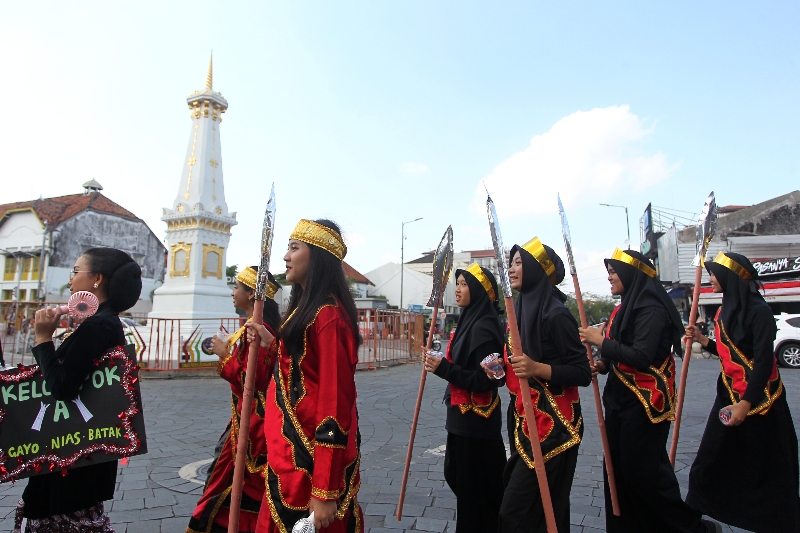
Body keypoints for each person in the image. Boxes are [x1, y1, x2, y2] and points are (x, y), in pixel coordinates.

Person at [579, 248, 720, 533]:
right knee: (617, 471)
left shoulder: (651, 308)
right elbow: (623, 347)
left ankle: (692, 528)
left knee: (643, 475)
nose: (609, 277)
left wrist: (601, 342)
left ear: (631, 273)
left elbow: (642, 355)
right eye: (608, 272)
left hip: (645, 403)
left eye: (614, 271)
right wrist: (604, 363)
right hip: (620, 399)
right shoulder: (623, 307)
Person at [14, 248, 142, 533]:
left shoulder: (97, 325)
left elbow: (62, 387)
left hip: (71, 453)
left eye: (75, 271)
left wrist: (43, 339)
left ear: (96, 279)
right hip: (84, 448)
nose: (70, 281)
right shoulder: (106, 322)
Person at [249, 219, 364, 533]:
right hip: (287, 454)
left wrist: (325, 489)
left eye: (294, 248)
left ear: (318, 256)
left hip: (311, 462)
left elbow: (335, 402)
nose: (286, 257)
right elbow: (297, 372)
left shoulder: (329, 316)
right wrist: (271, 344)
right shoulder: (304, 310)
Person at [685, 252, 800, 532]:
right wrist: (704, 341)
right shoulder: (725, 310)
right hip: (728, 396)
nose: (710, 278)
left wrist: (746, 403)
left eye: (714, 273)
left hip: (762, 403)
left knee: (769, 469)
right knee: (708, 462)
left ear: (729, 276)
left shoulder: (759, 311)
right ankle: (693, 522)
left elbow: (763, 361)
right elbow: (729, 354)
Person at [496, 238, 591, 532]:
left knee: (517, 513)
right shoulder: (517, 309)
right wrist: (501, 369)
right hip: (524, 418)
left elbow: (581, 372)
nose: (511, 269)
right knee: (547, 509)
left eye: (519, 263)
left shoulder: (556, 314)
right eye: (510, 263)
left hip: (555, 423)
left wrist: (537, 368)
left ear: (537, 269)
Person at [187, 266, 282, 533]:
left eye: (237, 287)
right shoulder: (251, 328)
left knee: (234, 483)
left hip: (256, 426)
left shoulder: (259, 332)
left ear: (252, 294)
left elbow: (252, 384)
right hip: (243, 420)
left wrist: (223, 355)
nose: (232, 292)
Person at [423, 263, 506, 533]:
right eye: (457, 283)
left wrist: (444, 369)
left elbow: (492, 379)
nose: (457, 289)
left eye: (464, 284)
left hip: (477, 423)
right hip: (460, 418)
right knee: (460, 480)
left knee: (475, 496)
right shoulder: (468, 321)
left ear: (480, 290)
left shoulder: (483, 328)